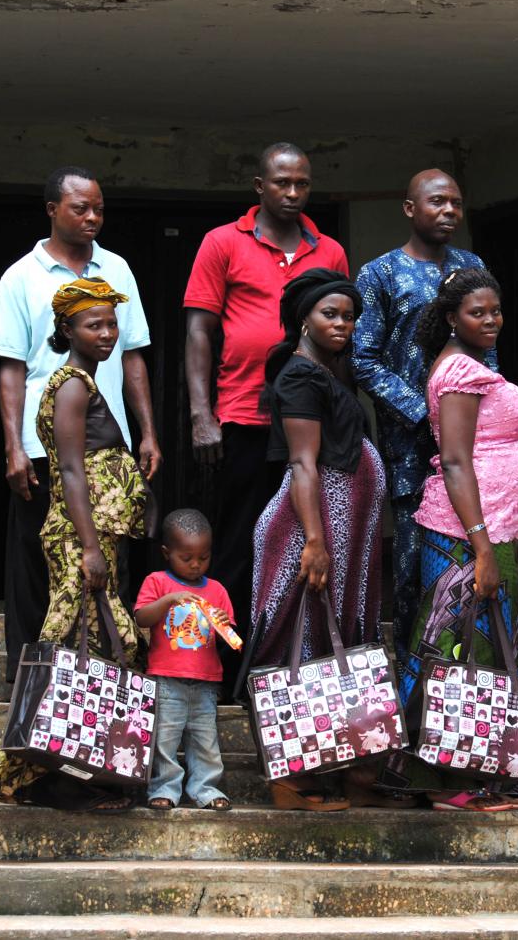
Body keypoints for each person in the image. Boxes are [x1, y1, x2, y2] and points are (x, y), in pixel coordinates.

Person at [0, 166, 160, 684]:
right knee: (39, 563)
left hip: (109, 448)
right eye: (80, 207)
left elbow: (133, 357)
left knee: (108, 563)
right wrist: (14, 447)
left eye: (99, 208)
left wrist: (146, 432)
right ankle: (30, 683)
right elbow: (11, 367)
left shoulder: (117, 268)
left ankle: (102, 684)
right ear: (52, 211)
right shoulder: (22, 276)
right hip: (44, 446)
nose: (91, 217)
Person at [185, 143, 350, 688]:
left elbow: (341, 340)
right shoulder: (221, 242)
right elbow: (199, 332)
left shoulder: (329, 250)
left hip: (310, 426)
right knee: (237, 547)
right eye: (282, 183)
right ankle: (222, 670)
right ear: (260, 187)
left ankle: (284, 671)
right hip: (242, 418)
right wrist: (201, 413)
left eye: (302, 184)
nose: (293, 193)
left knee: (306, 545)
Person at [0, 278, 148, 812]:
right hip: (81, 538)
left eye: (109, 323)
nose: (105, 333)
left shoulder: (85, 381)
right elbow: (71, 471)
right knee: (71, 646)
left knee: (96, 646)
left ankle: (82, 769)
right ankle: (38, 775)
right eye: (92, 324)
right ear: (67, 330)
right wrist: (91, 547)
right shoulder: (73, 384)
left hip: (92, 536)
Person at [380, 268, 518, 811]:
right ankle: (447, 782)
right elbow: (453, 461)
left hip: (488, 532)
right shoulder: (457, 373)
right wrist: (481, 547)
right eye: (478, 312)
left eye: (496, 310)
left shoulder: (470, 366)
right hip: (464, 537)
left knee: (482, 650)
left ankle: (481, 772)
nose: (491, 320)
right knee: (455, 653)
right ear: (452, 317)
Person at [247, 270, 385, 811]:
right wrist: (314, 540)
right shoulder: (301, 378)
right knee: (297, 643)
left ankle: (336, 767)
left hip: (340, 528)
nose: (343, 324)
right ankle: (289, 778)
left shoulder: (327, 372)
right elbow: (304, 464)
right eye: (330, 314)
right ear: (304, 317)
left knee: (330, 646)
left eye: (349, 316)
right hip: (314, 525)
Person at [354, 169, 486, 665]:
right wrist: (424, 412)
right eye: (437, 202)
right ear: (410, 209)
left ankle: (465, 677)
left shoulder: (471, 266)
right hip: (411, 446)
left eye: (456, 202)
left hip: (471, 445)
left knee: (471, 560)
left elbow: (484, 352)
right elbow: (364, 358)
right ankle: (413, 682)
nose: (449, 211)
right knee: (411, 568)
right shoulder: (380, 273)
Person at [135, 509, 234, 812]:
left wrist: (221, 623)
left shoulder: (216, 589)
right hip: (166, 679)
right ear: (167, 553)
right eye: (186, 558)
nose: (195, 565)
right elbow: (141, 617)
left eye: (203, 558)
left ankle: (205, 788)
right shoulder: (157, 582)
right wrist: (168, 600)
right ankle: (164, 788)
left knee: (205, 741)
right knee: (164, 739)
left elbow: (230, 638)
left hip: (205, 681)